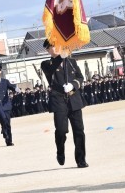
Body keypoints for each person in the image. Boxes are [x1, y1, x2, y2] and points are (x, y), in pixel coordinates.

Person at [41, 39, 88, 168]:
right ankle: (60, 151)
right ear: (48, 50)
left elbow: (80, 77)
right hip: (59, 101)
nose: (55, 48)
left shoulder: (71, 62)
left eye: (56, 45)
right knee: (61, 130)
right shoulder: (46, 64)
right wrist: (61, 57)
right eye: (52, 46)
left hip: (74, 99)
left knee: (79, 131)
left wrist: (73, 85)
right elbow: (51, 71)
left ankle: (81, 159)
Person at [0, 64, 20, 146]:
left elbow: (11, 87)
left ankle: (8, 140)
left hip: (6, 105)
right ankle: (4, 131)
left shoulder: (5, 81)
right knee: (3, 118)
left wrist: (16, 88)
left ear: (0, 71)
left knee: (7, 123)